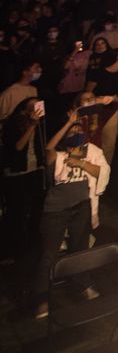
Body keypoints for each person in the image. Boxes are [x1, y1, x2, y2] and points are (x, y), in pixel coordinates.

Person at [34, 110, 110, 319]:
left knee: (80, 249)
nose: (76, 133)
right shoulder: (57, 156)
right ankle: (42, 298)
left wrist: (81, 163)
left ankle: (82, 285)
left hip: (81, 208)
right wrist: (68, 123)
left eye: (78, 130)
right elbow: (48, 148)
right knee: (49, 254)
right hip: (56, 210)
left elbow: (101, 172)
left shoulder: (90, 154)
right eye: (72, 131)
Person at [1, 98, 48, 259]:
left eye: (39, 105)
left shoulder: (42, 124)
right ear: (24, 110)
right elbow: (18, 147)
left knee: (37, 208)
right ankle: (11, 249)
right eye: (33, 107)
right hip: (16, 172)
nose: (37, 109)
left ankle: (32, 244)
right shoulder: (13, 124)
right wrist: (32, 125)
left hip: (35, 170)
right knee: (16, 211)